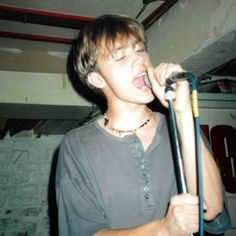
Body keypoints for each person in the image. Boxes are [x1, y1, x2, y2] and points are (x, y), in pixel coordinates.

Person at [55, 15, 230, 236]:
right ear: (97, 79)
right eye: (120, 56)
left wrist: (182, 112)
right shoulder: (77, 144)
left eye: (139, 50)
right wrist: (163, 230)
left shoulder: (178, 126)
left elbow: (211, 208)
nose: (140, 61)